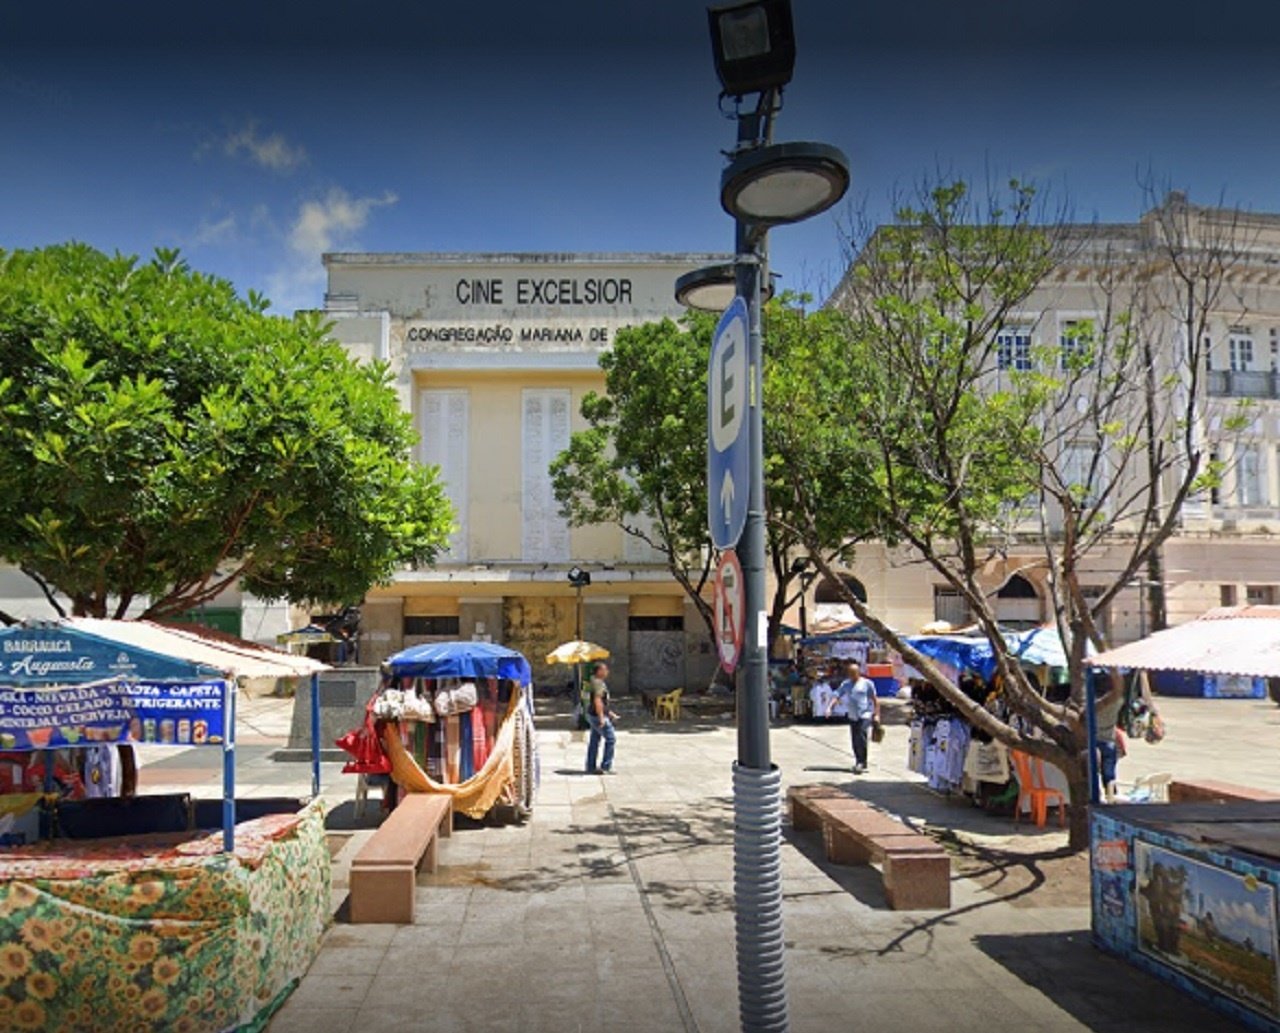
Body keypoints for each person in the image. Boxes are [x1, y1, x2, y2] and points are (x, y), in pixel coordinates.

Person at [828, 661, 880, 774]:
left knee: (861, 737)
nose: (851, 675)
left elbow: (875, 699)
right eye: (849, 673)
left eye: (853, 673)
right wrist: (830, 707)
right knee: (855, 740)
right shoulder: (846, 684)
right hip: (853, 715)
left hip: (864, 714)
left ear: (858, 672)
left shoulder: (867, 684)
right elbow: (837, 695)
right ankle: (859, 760)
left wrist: (876, 714)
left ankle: (861, 762)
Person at [585, 661, 618, 774]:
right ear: (599, 671)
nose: (607, 671)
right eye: (605, 669)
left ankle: (590, 766)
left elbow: (601, 702)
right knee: (611, 739)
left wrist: (609, 712)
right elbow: (597, 700)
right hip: (596, 715)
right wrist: (601, 717)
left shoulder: (593, 680)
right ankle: (605, 766)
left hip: (592, 714)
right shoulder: (598, 683)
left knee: (594, 740)